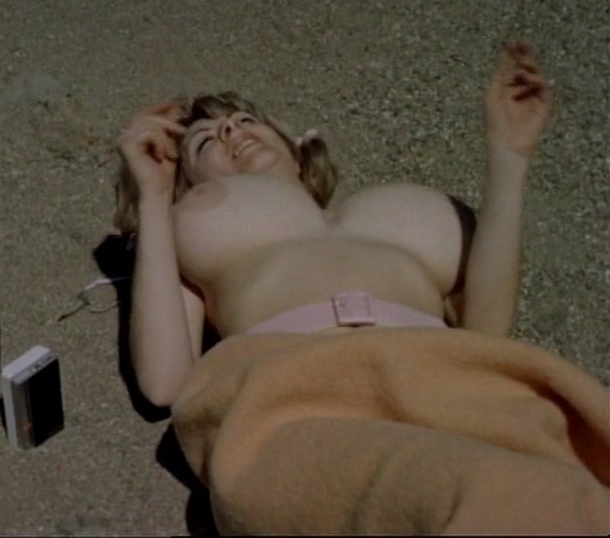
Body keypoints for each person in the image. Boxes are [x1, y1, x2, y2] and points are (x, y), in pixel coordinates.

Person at [114, 42, 609, 535]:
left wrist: (509, 155)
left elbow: (485, 331)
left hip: (446, 376)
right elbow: (165, 382)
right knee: (491, 493)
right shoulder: (184, 226)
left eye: (245, 120)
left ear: (294, 147)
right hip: (298, 396)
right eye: (203, 143)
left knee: (572, 480)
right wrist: (153, 198)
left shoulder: (396, 212)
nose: (230, 130)